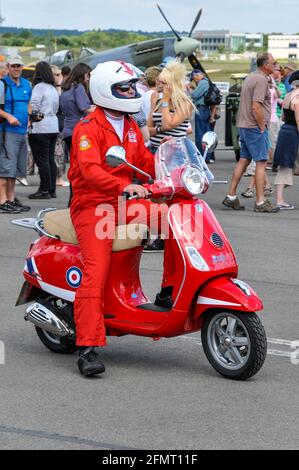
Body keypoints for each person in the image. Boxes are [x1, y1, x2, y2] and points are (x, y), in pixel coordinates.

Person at [68, 61, 174, 377]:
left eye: (132, 87)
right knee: (95, 270)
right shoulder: (87, 129)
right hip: (92, 206)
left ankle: (167, 290)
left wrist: (172, 170)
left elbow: (143, 159)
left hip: (123, 201)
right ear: (105, 90)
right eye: (125, 88)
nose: (132, 92)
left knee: (171, 218)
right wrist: (124, 185)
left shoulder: (128, 125)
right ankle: (86, 347)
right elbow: (90, 171)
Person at [222, 52, 279, 213]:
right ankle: (260, 201)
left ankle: (231, 196)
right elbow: (256, 106)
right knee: (261, 162)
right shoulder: (261, 79)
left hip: (244, 124)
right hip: (254, 126)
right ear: (265, 65)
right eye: (273, 63)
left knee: (244, 160)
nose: (275, 66)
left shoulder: (251, 76)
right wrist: (262, 126)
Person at [146, 60, 193, 252]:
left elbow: (169, 124)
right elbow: (149, 129)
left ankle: (172, 235)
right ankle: (158, 235)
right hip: (156, 153)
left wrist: (165, 100)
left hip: (175, 156)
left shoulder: (184, 103)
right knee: (155, 196)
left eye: (164, 83)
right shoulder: (155, 100)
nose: (160, 86)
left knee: (171, 196)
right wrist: (157, 129)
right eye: (160, 82)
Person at [0, 55, 32, 214]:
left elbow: (28, 104)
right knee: (6, 167)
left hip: (22, 131)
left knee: (15, 169)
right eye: (13, 66)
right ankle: (2, 201)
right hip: (7, 131)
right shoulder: (2, 84)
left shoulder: (27, 84)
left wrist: (32, 117)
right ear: (8, 66)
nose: (16, 69)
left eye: (19, 66)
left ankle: (11, 199)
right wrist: (8, 116)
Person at [27, 61, 59, 199]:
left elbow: (33, 105)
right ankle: (51, 189)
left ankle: (44, 189)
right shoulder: (53, 88)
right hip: (53, 125)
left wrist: (31, 117)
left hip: (40, 126)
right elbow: (57, 107)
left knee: (42, 160)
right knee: (50, 159)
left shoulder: (39, 87)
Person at [273, 70, 299, 209]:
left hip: (285, 131)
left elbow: (283, 117)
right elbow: (298, 120)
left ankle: (279, 199)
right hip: (294, 133)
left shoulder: (288, 95)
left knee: (284, 166)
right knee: (287, 166)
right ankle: (280, 200)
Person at [60, 63, 95, 153]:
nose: (88, 78)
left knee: (74, 163)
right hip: (78, 130)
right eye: (88, 75)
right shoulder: (78, 87)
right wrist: (102, 109)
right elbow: (84, 107)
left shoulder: (66, 87)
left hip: (68, 130)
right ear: (82, 74)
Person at [190, 69, 215, 163]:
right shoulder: (207, 82)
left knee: (200, 134)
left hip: (201, 109)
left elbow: (195, 95)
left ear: (196, 76)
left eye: (193, 78)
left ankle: (202, 157)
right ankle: (208, 156)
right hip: (207, 109)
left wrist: (190, 90)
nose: (194, 80)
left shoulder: (202, 83)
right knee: (207, 132)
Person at [51, 65, 69, 187]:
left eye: (60, 74)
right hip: (55, 125)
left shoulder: (64, 89)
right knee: (58, 153)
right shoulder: (51, 90)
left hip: (63, 125)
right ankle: (57, 178)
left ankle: (58, 177)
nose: (59, 77)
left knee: (61, 153)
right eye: (56, 75)